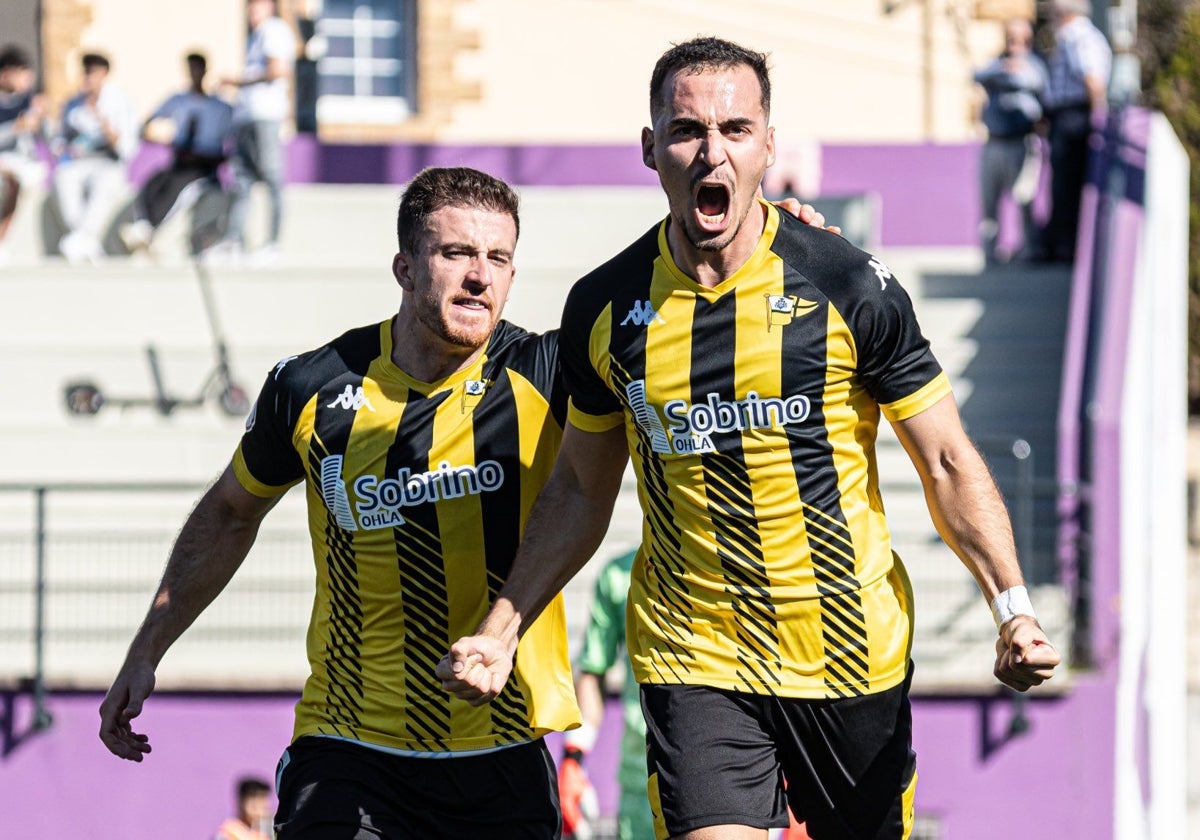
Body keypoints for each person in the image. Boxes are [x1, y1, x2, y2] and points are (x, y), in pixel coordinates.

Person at [440, 36, 1061, 840]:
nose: (712, 151)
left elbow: (945, 459)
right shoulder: (605, 307)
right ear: (650, 148)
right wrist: (502, 626)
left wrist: (1011, 607)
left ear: (769, 145)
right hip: (692, 651)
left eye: (736, 129)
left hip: (846, 651)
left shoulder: (846, 284)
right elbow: (582, 490)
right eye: (688, 129)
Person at [95, 162, 829, 838]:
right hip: (350, 746)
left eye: (499, 259)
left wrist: (766, 244)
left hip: (502, 754)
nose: (480, 276)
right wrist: (146, 649)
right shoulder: (313, 386)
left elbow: (682, 331)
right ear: (405, 267)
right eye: (456, 255)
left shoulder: (549, 369)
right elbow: (228, 513)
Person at [558, 549, 652, 840]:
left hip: (728, 776)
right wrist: (574, 757)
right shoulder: (618, 574)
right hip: (642, 776)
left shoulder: (731, 565)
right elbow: (593, 670)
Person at [203, 0, 296, 267]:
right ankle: (233, 241)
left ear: (270, 6)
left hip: (264, 117)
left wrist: (237, 80)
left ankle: (273, 244)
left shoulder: (274, 30)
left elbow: (278, 70)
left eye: (257, 5)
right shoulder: (257, 36)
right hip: (247, 118)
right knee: (241, 180)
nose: (251, 11)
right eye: (249, 6)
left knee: (272, 177)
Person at [119, 52, 233, 255]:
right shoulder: (179, 100)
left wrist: (203, 156)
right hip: (180, 161)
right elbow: (148, 123)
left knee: (179, 188)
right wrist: (164, 140)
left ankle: (150, 229)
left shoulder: (220, 108)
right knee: (154, 183)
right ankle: (143, 226)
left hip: (203, 166)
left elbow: (229, 145)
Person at [1039, 0, 1111, 263]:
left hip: (1074, 117)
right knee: (1062, 183)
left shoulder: (1077, 38)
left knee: (1068, 184)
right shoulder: (1073, 38)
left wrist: (1097, 119)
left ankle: (1066, 247)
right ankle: (1061, 244)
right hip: (1067, 116)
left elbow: (1092, 81)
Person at [51, 51, 138, 264]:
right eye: (86, 72)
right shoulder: (73, 104)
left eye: (93, 73)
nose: (88, 78)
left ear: (104, 74)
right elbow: (58, 139)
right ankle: (85, 239)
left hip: (108, 162)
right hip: (79, 162)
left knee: (106, 184)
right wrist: (64, 149)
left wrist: (99, 116)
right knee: (63, 179)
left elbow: (127, 147)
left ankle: (81, 239)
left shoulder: (120, 101)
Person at [973, 18, 1047, 264]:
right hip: (994, 141)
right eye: (1010, 37)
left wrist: (1015, 69)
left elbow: (1031, 81)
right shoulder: (998, 63)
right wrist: (1004, 69)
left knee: (1024, 200)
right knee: (989, 203)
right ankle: (990, 253)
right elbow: (977, 75)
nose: (1014, 43)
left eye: (1019, 38)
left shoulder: (1036, 63)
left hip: (1021, 143)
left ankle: (1027, 250)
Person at [0, 44, 47, 264]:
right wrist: (16, 127)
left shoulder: (30, 101)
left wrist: (40, 119)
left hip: (21, 165)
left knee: (14, 183)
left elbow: (43, 141)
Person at [214, 776, 273, 840]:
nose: (260, 805)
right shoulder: (228, 832)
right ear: (242, 801)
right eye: (254, 798)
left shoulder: (262, 834)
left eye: (263, 798)